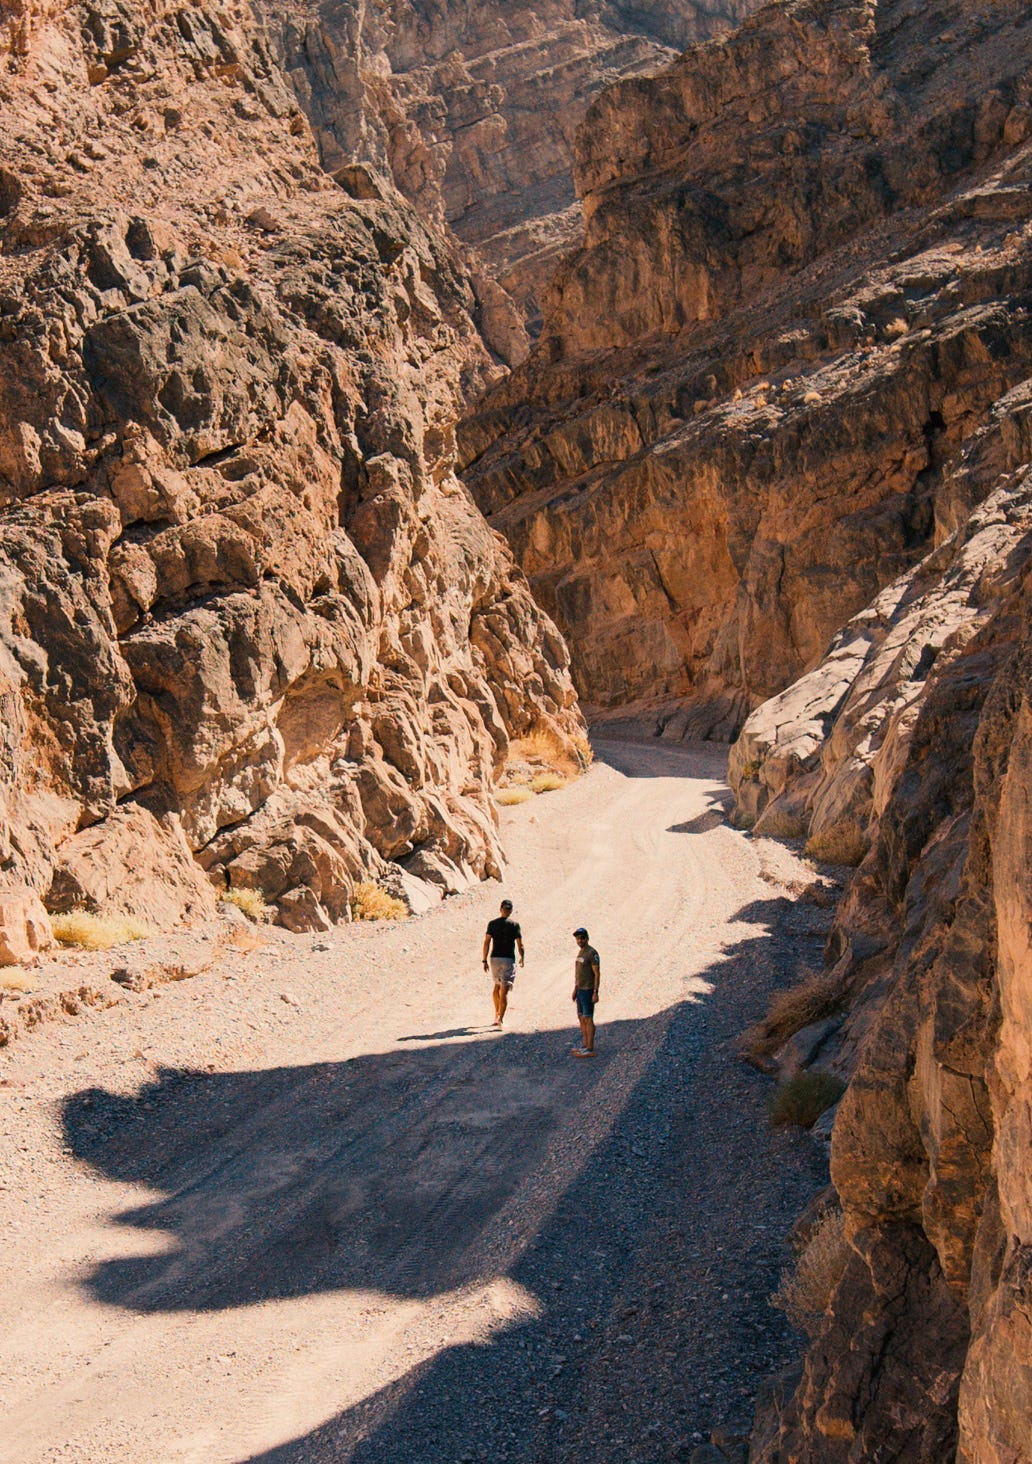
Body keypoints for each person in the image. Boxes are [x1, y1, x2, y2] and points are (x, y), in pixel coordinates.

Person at [482, 899, 524, 1028]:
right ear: (511, 911)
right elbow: (520, 944)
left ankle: (496, 1014)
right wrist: (522, 957)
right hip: (508, 959)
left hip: (495, 958)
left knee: (496, 986)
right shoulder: (515, 925)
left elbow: (487, 942)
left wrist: (484, 959)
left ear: (500, 909)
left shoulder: (492, 924)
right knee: (504, 990)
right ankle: (501, 1019)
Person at [571, 927, 600, 1057]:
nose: (580, 940)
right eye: (578, 938)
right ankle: (584, 1045)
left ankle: (590, 1047)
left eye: (582, 937)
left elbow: (597, 973)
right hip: (580, 990)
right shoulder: (581, 952)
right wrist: (575, 989)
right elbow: (578, 973)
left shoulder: (591, 953)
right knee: (581, 1017)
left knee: (588, 1018)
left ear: (587, 938)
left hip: (588, 990)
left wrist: (595, 991)